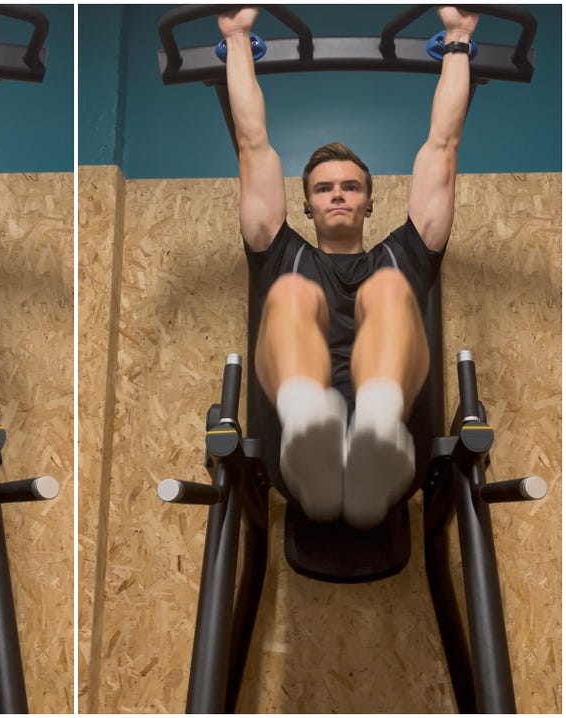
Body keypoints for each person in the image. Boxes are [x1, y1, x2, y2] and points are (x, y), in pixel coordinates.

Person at [218, 7, 478, 529]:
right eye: (323, 188)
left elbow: (443, 148)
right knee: (293, 295)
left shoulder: (401, 257)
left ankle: (377, 430)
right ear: (306, 206)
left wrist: (457, 37)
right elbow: (253, 146)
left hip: (394, 458)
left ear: (370, 202)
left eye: (351, 186)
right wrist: (238, 37)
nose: (337, 194)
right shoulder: (282, 255)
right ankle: (309, 425)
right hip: (296, 461)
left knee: (386, 288)